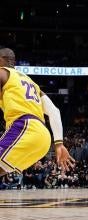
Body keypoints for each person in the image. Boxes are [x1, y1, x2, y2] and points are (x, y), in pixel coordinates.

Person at [0, 47, 74, 176]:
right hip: (44, 139)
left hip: (25, 126)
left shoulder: (3, 72)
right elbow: (55, 111)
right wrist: (59, 144)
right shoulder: (32, 83)